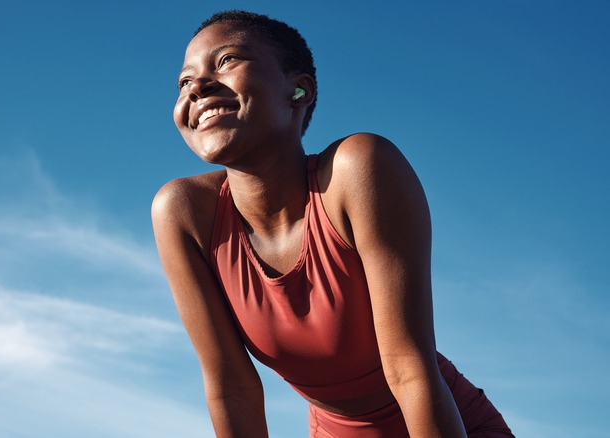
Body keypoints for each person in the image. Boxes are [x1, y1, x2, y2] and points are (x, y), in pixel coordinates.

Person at [152, 10, 513, 438]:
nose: (196, 87)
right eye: (183, 81)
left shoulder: (358, 170)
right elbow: (232, 389)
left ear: (299, 90)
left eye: (227, 60)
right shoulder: (184, 213)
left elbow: (409, 371)